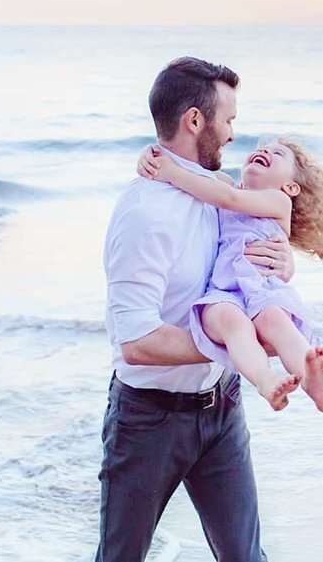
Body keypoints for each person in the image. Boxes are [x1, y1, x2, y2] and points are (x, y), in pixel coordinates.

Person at [96, 57, 295, 562]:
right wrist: (232, 342)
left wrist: (285, 259)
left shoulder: (217, 190)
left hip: (222, 407)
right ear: (194, 121)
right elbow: (136, 343)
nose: (233, 133)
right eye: (228, 120)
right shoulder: (145, 213)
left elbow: (246, 256)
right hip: (150, 423)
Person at [136, 136, 323, 412]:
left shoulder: (277, 200)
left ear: (290, 186)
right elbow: (195, 170)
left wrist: (170, 173)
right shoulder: (226, 185)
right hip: (224, 292)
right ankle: (266, 381)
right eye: (260, 149)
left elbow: (227, 199)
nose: (263, 151)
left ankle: (313, 381)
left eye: (277, 154)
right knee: (230, 323)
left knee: (277, 322)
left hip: (264, 288)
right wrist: (150, 154)